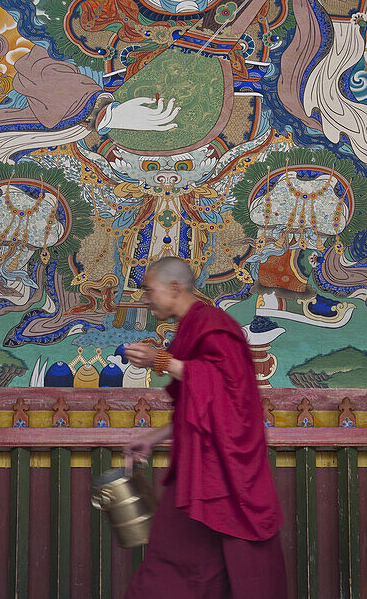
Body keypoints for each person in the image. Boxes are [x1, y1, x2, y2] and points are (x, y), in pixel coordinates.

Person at [123, 256, 286, 598]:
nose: (145, 299)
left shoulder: (213, 323)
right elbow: (197, 404)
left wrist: (160, 360)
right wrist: (152, 438)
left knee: (236, 570)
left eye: (149, 290)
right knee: (169, 567)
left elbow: (229, 394)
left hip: (225, 470)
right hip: (199, 470)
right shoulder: (189, 328)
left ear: (174, 288)